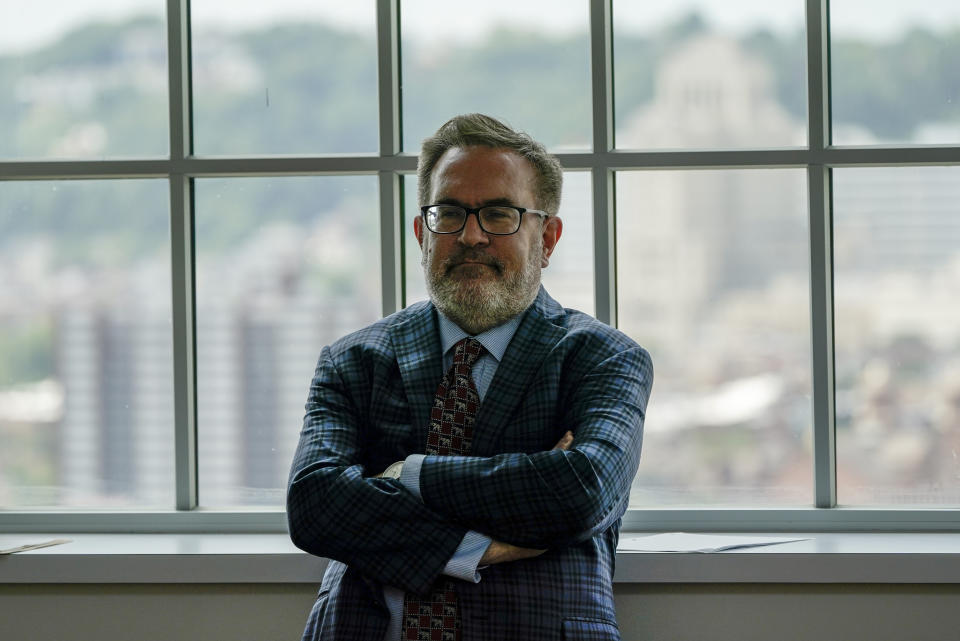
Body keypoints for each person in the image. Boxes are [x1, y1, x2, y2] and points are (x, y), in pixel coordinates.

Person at [287, 113, 653, 641]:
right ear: (421, 232)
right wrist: (476, 548)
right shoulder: (353, 360)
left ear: (547, 238)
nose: (471, 235)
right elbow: (314, 505)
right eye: (450, 214)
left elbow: (580, 492)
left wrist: (403, 475)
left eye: (499, 214)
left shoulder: (603, 359)